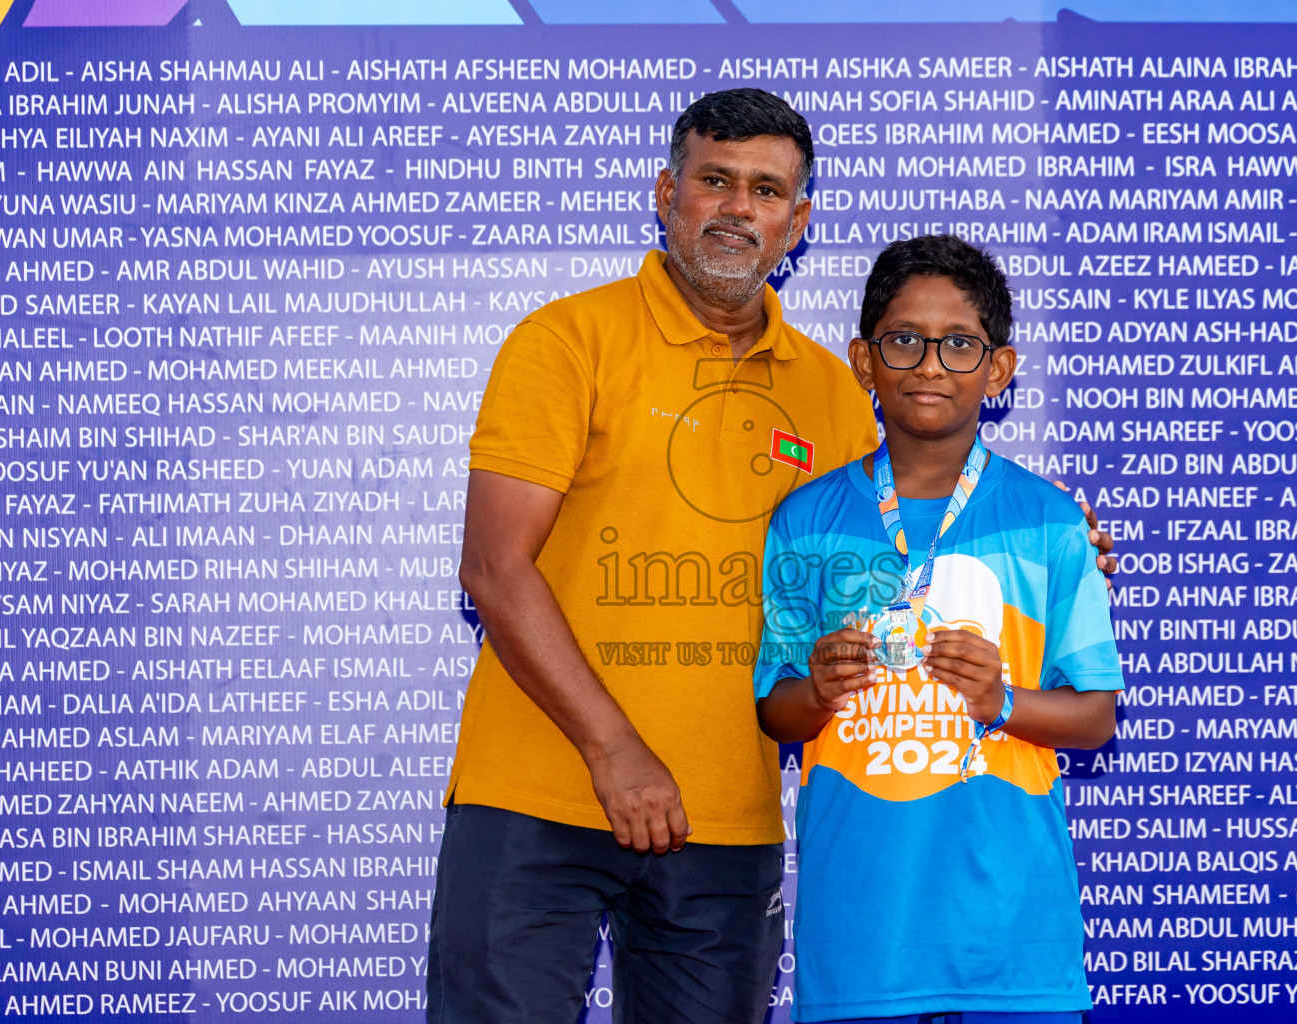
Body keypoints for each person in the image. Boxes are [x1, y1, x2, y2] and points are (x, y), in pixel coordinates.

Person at [427, 88, 881, 1024]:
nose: (735, 209)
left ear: (798, 222)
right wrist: (615, 750)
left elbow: (879, 577)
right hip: (538, 800)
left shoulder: (835, 394)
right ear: (667, 192)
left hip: (726, 819)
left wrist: (1040, 547)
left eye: (765, 190)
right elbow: (494, 569)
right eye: (714, 180)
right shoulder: (567, 340)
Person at [754, 235, 1123, 1023]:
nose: (929, 365)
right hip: (860, 940)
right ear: (863, 360)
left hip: (1012, 942)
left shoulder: (1052, 522)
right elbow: (773, 707)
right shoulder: (806, 520)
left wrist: (1001, 700)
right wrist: (816, 691)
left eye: (959, 345)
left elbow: (1094, 719)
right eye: (904, 342)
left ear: (999, 369)